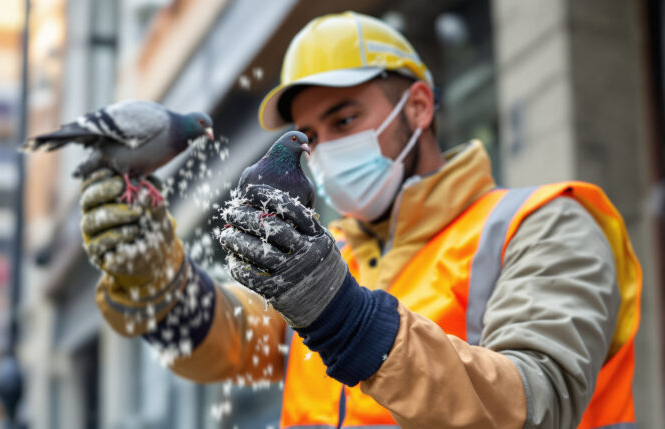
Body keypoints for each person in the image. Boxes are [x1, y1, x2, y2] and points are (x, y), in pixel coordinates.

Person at [80, 11, 641, 429]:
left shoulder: (543, 225)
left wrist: (346, 319)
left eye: (344, 118)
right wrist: (155, 281)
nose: (322, 150)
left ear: (419, 107)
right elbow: (237, 343)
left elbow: (540, 403)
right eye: (312, 136)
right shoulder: (335, 253)